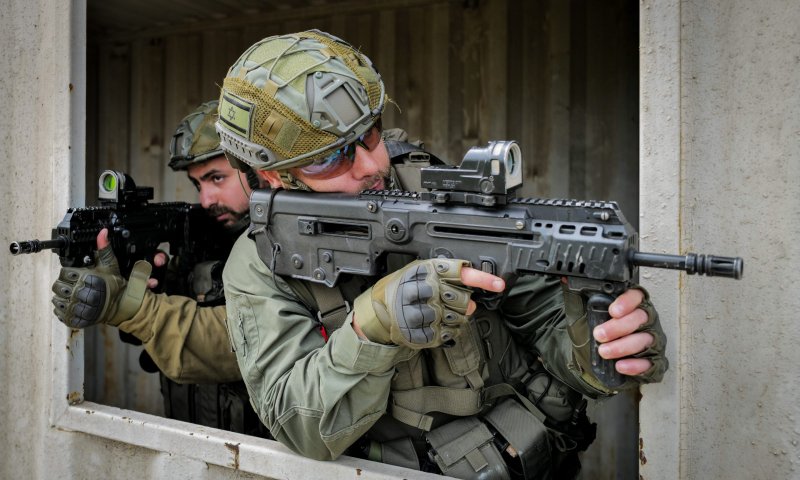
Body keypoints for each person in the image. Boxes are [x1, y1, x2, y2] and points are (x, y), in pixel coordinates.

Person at [214, 30, 667, 479]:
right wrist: (371, 329)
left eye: (370, 134)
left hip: (538, 459)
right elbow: (300, 426)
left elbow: (546, 319)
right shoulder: (260, 260)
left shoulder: (429, 189)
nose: (371, 165)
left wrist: (598, 341)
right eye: (330, 158)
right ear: (271, 176)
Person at [51, 101, 269, 437]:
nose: (207, 199)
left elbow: (249, 341)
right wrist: (155, 287)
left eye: (216, 178)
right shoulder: (209, 239)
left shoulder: (289, 248)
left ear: (261, 169)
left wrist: (131, 306)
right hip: (190, 437)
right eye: (198, 185)